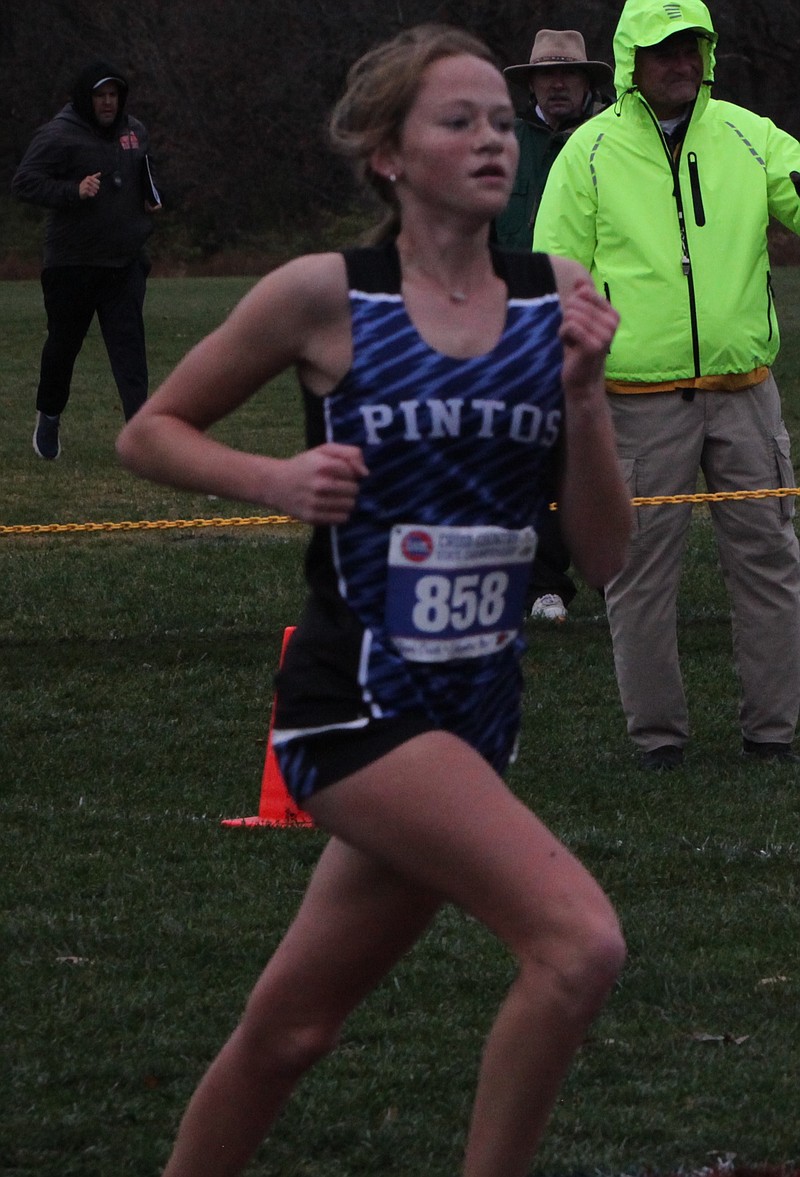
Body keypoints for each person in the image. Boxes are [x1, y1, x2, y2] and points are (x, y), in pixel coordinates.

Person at [117, 25, 631, 1177]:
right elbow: (147, 431)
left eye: (499, 122)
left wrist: (587, 399)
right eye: (457, 121)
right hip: (355, 703)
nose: (491, 139)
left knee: (292, 1029)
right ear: (386, 152)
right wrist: (274, 479)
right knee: (577, 945)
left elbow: (601, 557)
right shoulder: (325, 295)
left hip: (474, 718)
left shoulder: (558, 297)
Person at [534, 0, 800, 769]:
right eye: (662, 50)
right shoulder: (586, 154)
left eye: (691, 48)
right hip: (636, 404)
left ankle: (773, 735)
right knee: (639, 578)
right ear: (629, 61)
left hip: (746, 392)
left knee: (773, 564)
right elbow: (556, 272)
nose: (680, 62)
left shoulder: (753, 138)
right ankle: (658, 741)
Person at [496, 29, 613, 624]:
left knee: (602, 461)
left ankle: (616, 579)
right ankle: (542, 585)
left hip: (604, 334)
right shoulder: (504, 145)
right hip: (519, 333)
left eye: (570, 73)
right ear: (531, 83)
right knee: (529, 462)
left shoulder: (615, 142)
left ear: (589, 81)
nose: (559, 83)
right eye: (548, 74)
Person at [13, 59, 161, 460]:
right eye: (101, 96)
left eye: (114, 95)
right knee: (63, 347)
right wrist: (72, 190)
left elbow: (144, 171)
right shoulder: (59, 135)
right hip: (72, 265)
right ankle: (49, 415)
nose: (109, 103)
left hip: (123, 264)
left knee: (130, 352)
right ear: (86, 98)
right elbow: (24, 182)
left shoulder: (135, 131)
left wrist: (151, 196)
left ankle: (141, 438)